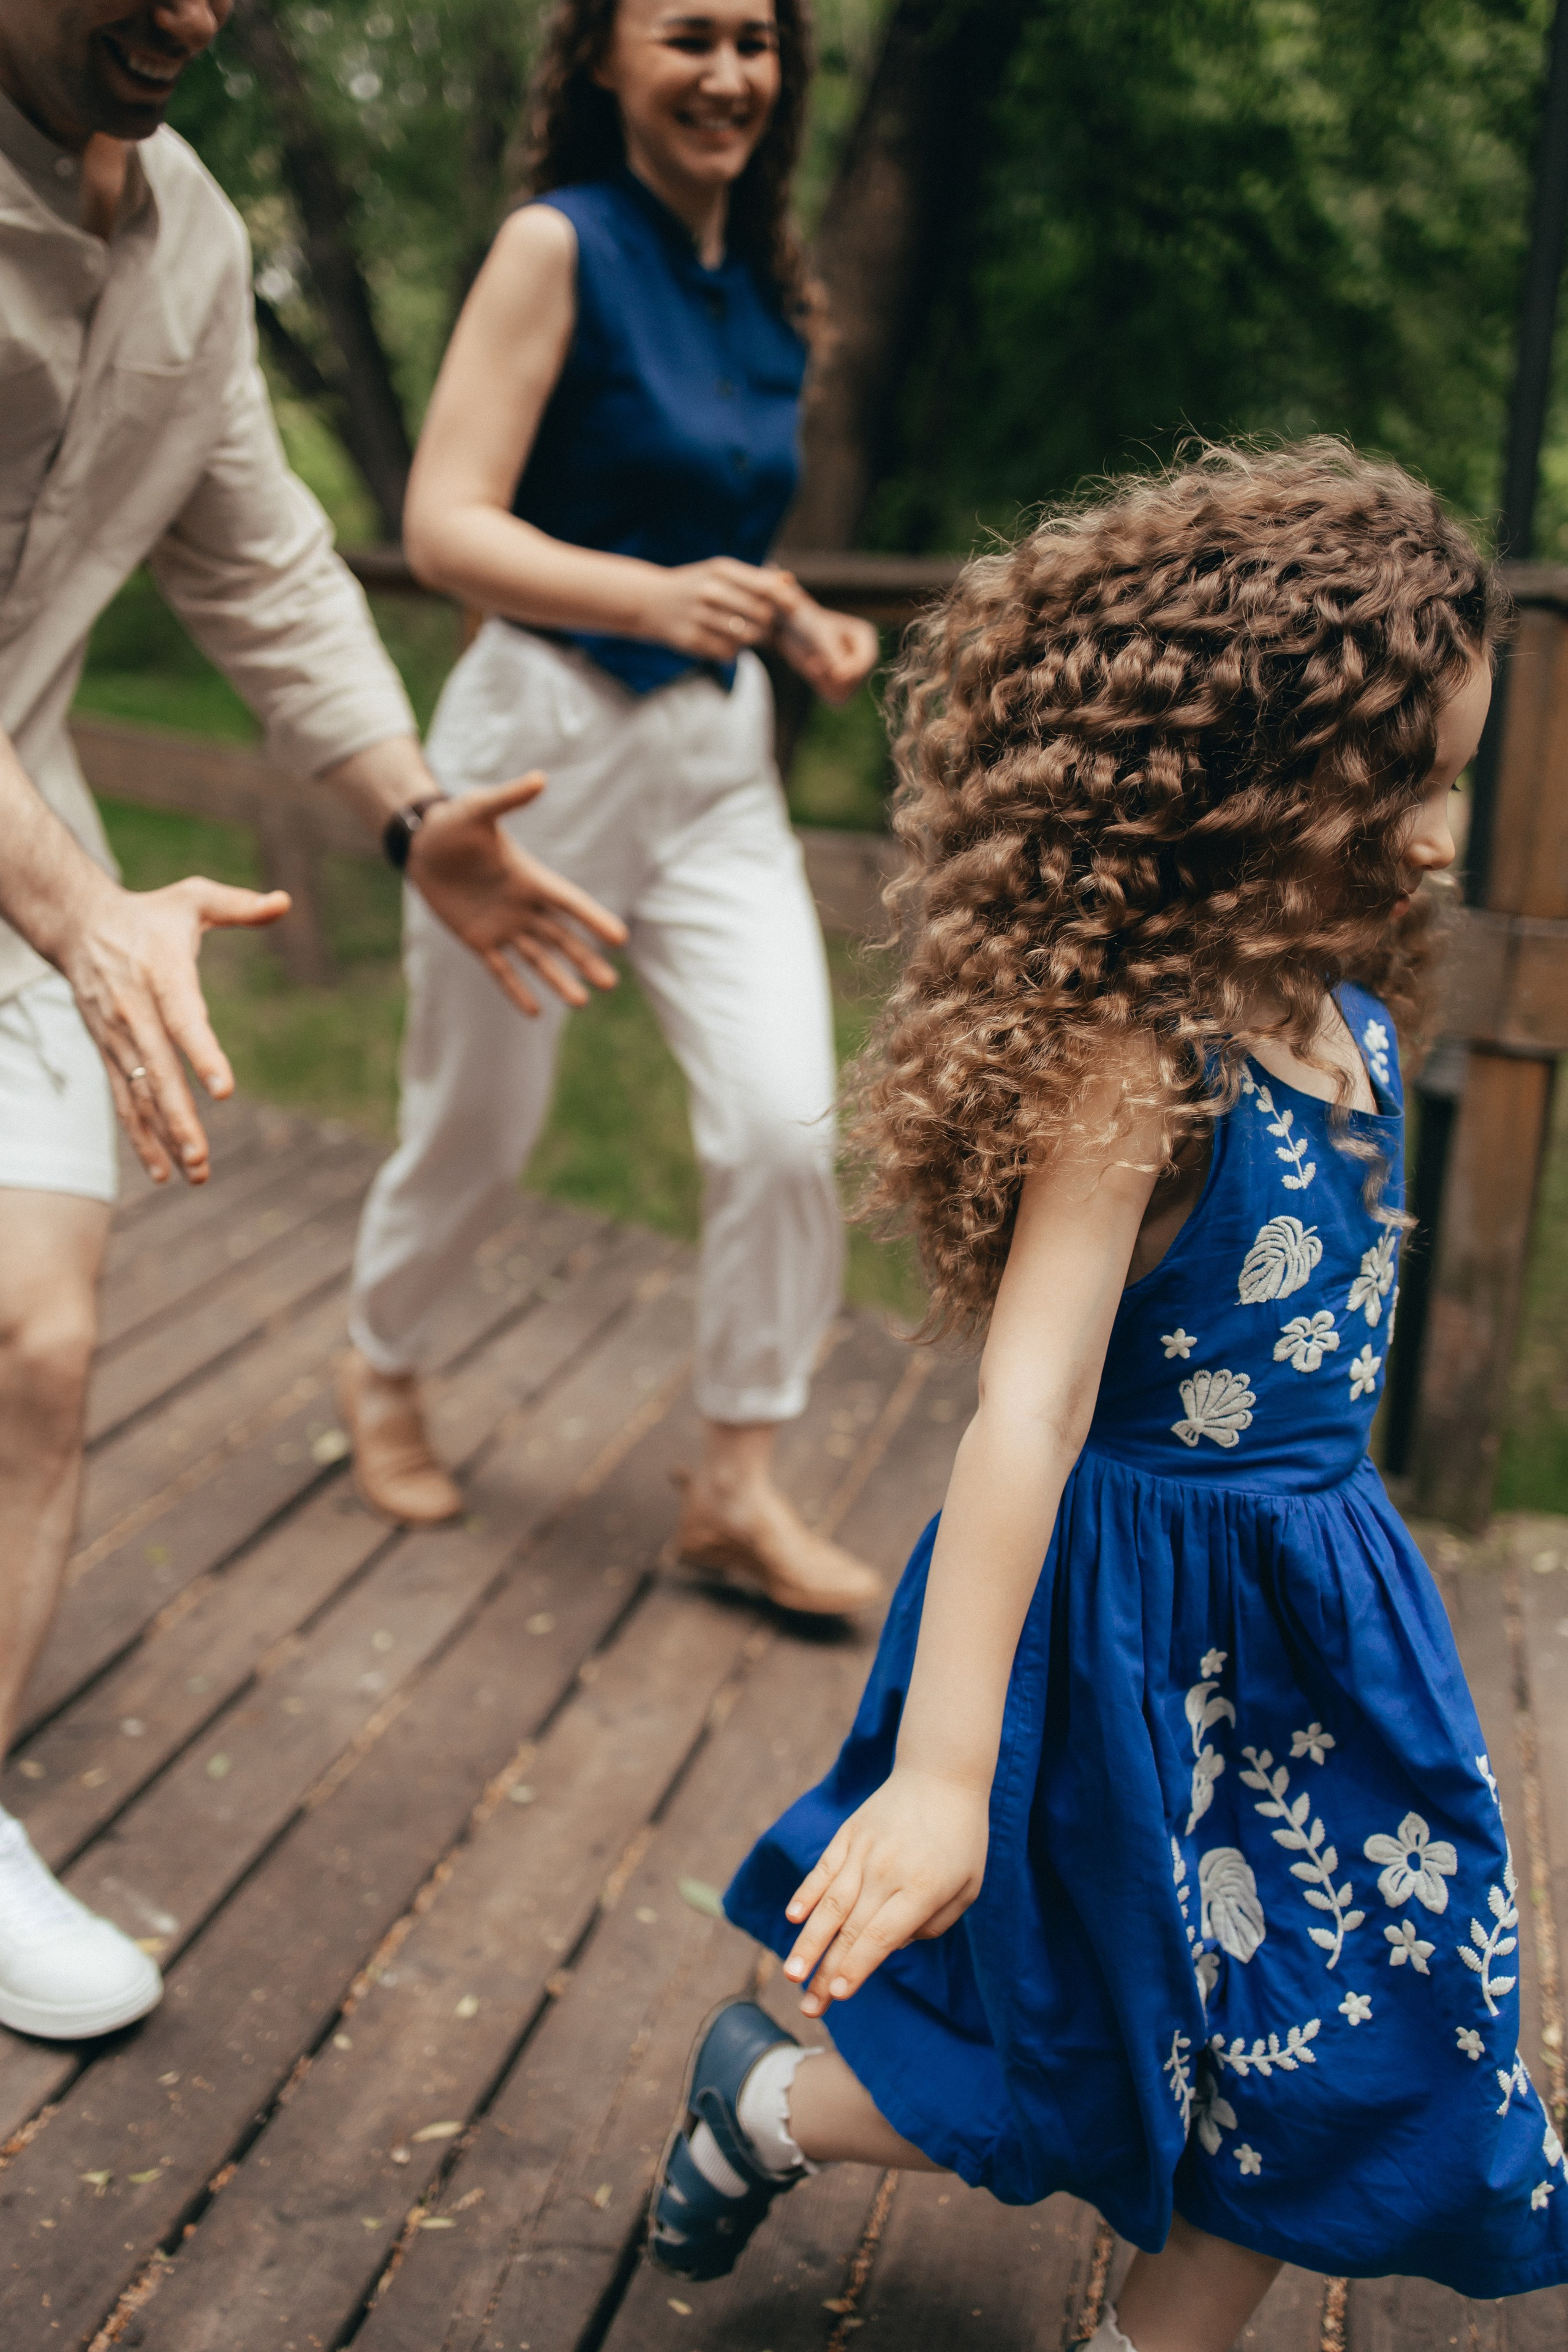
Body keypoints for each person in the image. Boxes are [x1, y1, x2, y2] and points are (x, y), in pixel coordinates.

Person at [647, 445, 1568, 2343]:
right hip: (1120, 1639)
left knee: (1371, 2051)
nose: (1440, 838)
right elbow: (1028, 1414)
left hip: (1323, 1627)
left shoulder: (1369, 1042)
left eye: (1456, 782)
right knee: (1076, 2056)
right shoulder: (1151, 1066)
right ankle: (765, 2100)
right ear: (1263, 778)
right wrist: (946, 1773)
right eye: (1414, 783)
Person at [0, 0, 626, 2046]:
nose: (188, 13)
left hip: (31, 839)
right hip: (51, 883)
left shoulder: (188, 237)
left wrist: (412, 811)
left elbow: (259, 554)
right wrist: (87, 912)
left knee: (38, 1341)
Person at [341, 0, 884, 1618]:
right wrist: (651, 602)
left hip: (716, 770)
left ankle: (735, 1487)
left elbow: (697, 516)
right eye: (687, 36)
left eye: (756, 41)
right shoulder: (553, 248)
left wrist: (791, 617)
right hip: (535, 747)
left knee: (789, 1122)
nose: (728, 73)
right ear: (601, 60)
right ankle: (385, 1363)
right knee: (480, 1123)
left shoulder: (778, 287)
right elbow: (445, 524)